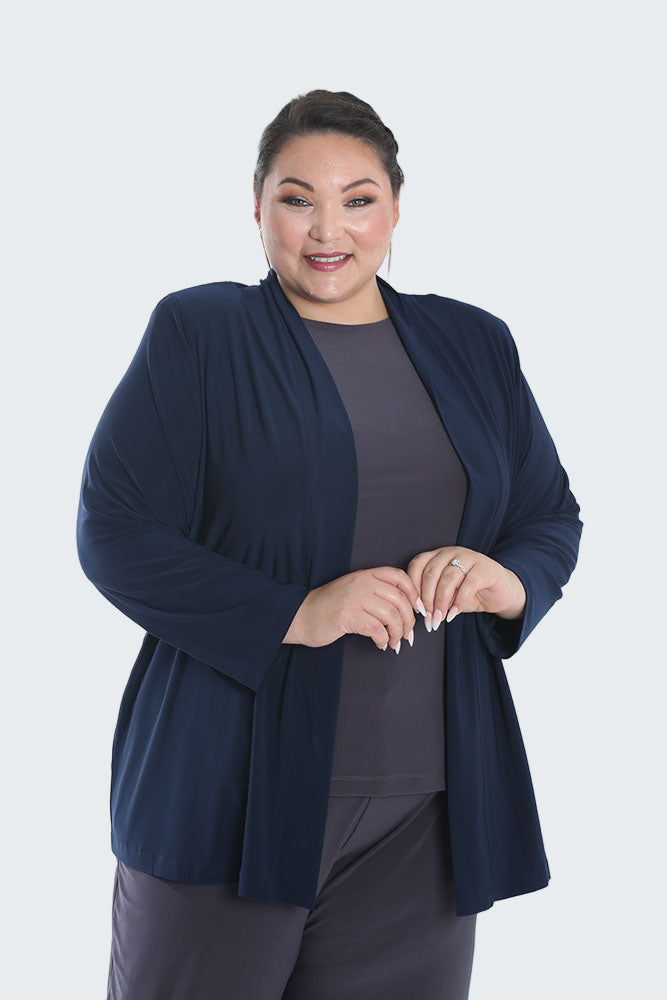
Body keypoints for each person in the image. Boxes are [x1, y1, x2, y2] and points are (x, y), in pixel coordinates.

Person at [76, 89, 583, 1000]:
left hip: (426, 812)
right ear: (257, 205)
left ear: (394, 207)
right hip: (227, 797)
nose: (326, 229)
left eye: (357, 199)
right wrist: (297, 611)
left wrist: (505, 578)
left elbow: (547, 514)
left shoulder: (473, 343)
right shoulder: (202, 333)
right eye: (296, 197)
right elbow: (112, 530)